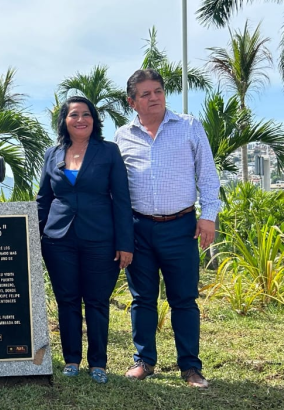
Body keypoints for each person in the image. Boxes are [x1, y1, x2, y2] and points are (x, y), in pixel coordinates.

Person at [115, 69, 220, 389]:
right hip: (138, 230)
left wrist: (209, 216)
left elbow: (208, 175)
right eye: (145, 94)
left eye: (158, 91)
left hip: (182, 228)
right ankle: (144, 361)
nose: (154, 97)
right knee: (142, 299)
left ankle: (190, 367)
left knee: (184, 299)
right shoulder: (122, 136)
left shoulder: (188, 126)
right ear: (132, 102)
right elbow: (116, 190)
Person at [36, 95, 133, 384]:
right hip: (57, 239)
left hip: (100, 238)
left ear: (94, 119)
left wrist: (125, 243)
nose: (81, 119)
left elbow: (122, 200)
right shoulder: (52, 154)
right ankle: (71, 359)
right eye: (74, 115)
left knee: (97, 301)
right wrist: (32, 237)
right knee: (66, 300)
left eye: (86, 114)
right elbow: (44, 199)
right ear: (64, 122)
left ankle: (98, 363)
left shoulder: (108, 152)